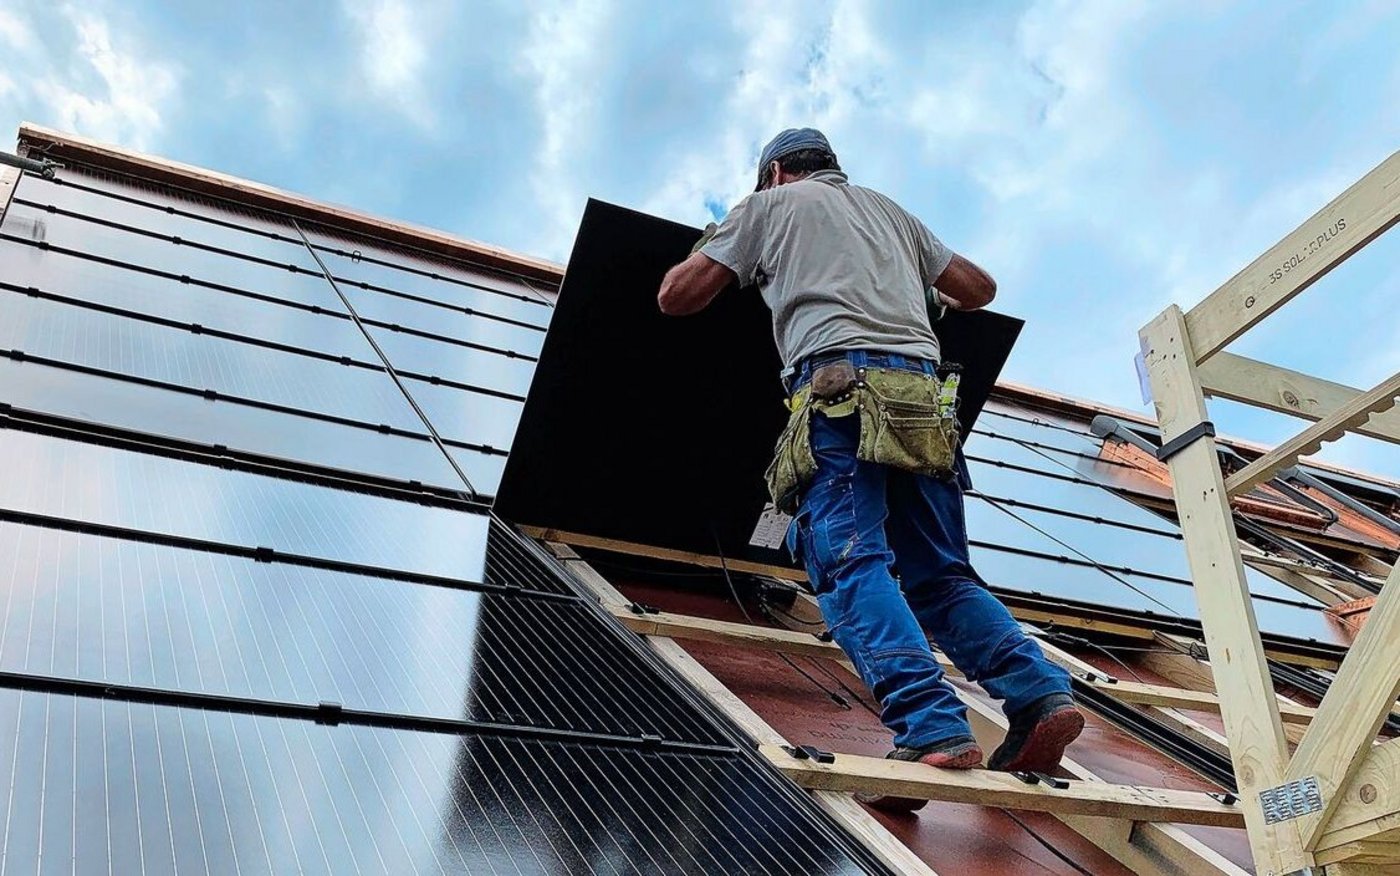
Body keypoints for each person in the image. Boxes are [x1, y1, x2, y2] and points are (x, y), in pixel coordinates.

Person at [657, 128, 1083, 812]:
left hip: (840, 392)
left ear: (774, 173)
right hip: (923, 405)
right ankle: (1036, 697)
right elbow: (978, 288)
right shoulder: (892, 213)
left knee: (849, 560)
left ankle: (932, 727)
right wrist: (916, 285)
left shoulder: (765, 208)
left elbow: (675, 296)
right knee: (939, 575)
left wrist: (718, 240)